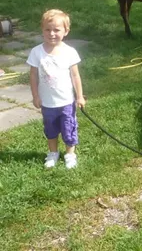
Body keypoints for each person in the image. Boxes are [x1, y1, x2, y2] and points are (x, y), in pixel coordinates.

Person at [27, 9, 86, 169]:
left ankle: (70, 154)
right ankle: (53, 153)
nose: (51, 33)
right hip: (47, 103)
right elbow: (33, 76)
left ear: (66, 31)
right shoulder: (36, 52)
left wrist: (80, 96)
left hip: (66, 101)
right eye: (47, 29)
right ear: (42, 30)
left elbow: (75, 76)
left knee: (69, 128)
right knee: (50, 129)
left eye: (56, 30)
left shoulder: (69, 52)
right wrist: (35, 96)